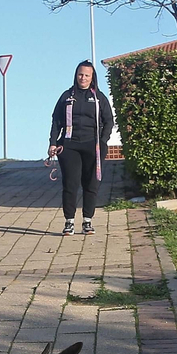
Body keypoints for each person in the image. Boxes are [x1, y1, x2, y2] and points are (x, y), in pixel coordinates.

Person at [48, 61, 116, 235]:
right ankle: (69, 221)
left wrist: (102, 141)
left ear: (92, 77)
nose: (83, 78)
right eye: (80, 74)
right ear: (75, 75)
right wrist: (53, 143)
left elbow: (108, 121)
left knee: (91, 184)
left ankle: (87, 220)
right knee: (70, 184)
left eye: (87, 75)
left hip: (93, 146)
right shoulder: (66, 96)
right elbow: (56, 121)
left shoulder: (99, 97)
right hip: (70, 145)